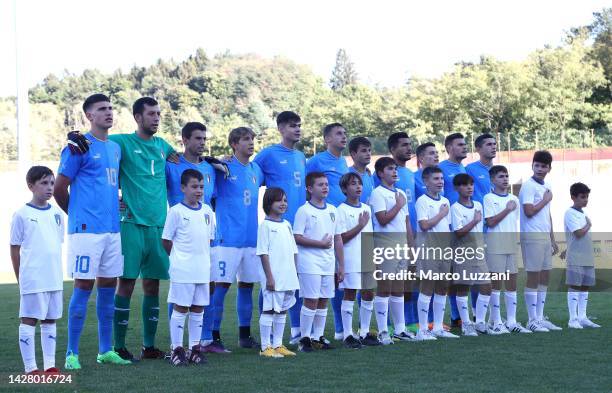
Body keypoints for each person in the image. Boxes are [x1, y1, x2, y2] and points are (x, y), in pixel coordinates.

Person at [55, 94, 129, 368]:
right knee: (84, 285)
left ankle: (105, 350)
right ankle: (71, 353)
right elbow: (59, 188)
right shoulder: (78, 147)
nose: (108, 112)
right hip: (85, 231)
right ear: (89, 115)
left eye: (110, 108)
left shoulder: (115, 148)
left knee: (108, 285)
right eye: (102, 109)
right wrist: (77, 214)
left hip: (112, 229)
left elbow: (105, 183)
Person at [110, 97, 176, 361]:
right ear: (138, 117)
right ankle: (118, 346)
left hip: (158, 226)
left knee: (153, 286)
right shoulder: (122, 141)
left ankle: (149, 346)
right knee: (125, 284)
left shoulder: (163, 146)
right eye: (151, 114)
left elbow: (185, 160)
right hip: (131, 225)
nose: (157, 118)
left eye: (159, 113)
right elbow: (96, 146)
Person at [205, 127, 264, 351]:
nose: (250, 143)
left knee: (247, 286)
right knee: (220, 287)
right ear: (234, 144)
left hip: (251, 238)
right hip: (227, 239)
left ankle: (244, 335)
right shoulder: (223, 168)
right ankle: (213, 336)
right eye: (245, 139)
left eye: (252, 138)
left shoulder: (256, 169)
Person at [253, 111, 306, 343]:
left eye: (299, 126)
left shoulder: (302, 156)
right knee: (270, 283)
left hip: (296, 228)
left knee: (293, 282)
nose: (297, 129)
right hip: (274, 227)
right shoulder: (268, 155)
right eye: (292, 126)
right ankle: (264, 335)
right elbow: (250, 173)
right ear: (281, 129)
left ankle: (295, 331)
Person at [11, 166, 64, 374]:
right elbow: (14, 247)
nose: (49, 188)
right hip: (33, 277)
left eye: (51, 183)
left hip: (54, 277)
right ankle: (31, 368)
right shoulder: (21, 214)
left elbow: (55, 244)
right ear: (31, 186)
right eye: (44, 183)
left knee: (50, 320)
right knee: (29, 319)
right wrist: (20, 277)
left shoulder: (57, 213)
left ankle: (49, 366)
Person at [162, 169, 215, 366]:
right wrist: (179, 259)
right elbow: (166, 241)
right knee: (181, 307)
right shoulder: (176, 211)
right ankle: (176, 349)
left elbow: (208, 240)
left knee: (198, 308)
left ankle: (194, 348)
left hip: (202, 268)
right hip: (182, 269)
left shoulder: (208, 211)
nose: (198, 190)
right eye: (194, 186)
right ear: (183, 188)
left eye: (201, 186)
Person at [306, 123, 349, 340]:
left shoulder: (343, 162)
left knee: (339, 280)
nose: (344, 137)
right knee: (315, 285)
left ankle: (337, 330)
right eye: (339, 134)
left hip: (339, 223)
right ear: (327, 139)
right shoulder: (316, 161)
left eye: (345, 133)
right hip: (321, 226)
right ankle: (303, 332)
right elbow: (308, 187)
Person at [294, 172, 344, 352]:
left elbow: (338, 239)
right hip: (309, 262)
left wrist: (341, 265)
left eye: (326, 184)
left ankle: (318, 337)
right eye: (320, 184)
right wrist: (320, 244)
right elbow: (296, 237)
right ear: (309, 188)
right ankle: (304, 338)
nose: (325, 187)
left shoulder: (333, 210)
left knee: (324, 300)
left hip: (328, 263)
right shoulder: (304, 210)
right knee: (311, 300)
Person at [484, 166, 531, 334]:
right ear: (492, 180)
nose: (505, 179)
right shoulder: (488, 198)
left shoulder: (514, 199)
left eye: (506, 176)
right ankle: (496, 322)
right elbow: (490, 222)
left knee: (511, 285)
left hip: (511, 245)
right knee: (495, 286)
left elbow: (514, 222)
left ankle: (512, 321)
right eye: (501, 176)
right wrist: (507, 209)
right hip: (495, 246)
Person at [519, 150, 561, 332]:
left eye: (544, 166)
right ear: (532, 166)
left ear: (549, 168)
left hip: (544, 236)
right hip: (532, 236)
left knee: (545, 277)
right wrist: (545, 200)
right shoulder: (528, 186)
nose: (540, 169)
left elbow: (547, 214)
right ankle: (531, 319)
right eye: (537, 165)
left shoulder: (547, 185)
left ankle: (540, 317)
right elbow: (529, 211)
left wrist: (553, 239)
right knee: (533, 277)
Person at [337, 172, 380, 347]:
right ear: (344, 189)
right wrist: (360, 225)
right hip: (350, 258)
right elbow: (341, 238)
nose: (358, 187)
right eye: (353, 184)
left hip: (367, 256)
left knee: (369, 293)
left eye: (359, 183)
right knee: (350, 293)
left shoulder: (367, 208)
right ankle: (348, 334)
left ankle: (364, 332)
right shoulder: (341, 210)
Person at [415, 166, 458, 340]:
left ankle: (438, 327)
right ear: (426, 181)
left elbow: (447, 228)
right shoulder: (422, 201)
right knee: (427, 288)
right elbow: (424, 225)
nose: (440, 182)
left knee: (442, 288)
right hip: (428, 250)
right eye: (436, 179)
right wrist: (441, 214)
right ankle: (422, 330)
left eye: (441, 179)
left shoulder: (445, 201)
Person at [449, 174, 495, 335]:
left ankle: (480, 322)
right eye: (464, 185)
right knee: (463, 289)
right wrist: (474, 221)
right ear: (456, 188)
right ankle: (466, 324)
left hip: (478, 252)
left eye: (471, 184)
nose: (469, 187)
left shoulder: (478, 205)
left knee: (487, 287)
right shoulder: (455, 208)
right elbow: (459, 232)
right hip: (463, 252)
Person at [257, 188, 300, 358]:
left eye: (285, 200)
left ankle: (278, 344)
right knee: (269, 310)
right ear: (268, 203)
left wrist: (294, 272)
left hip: (288, 276)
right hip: (273, 277)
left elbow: (294, 251)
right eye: (278, 200)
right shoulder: (265, 226)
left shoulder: (287, 224)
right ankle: (265, 347)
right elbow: (263, 253)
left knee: (282, 310)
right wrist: (269, 277)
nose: (283, 204)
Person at [438, 133, 468, 326]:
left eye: (465, 144)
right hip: (448, 228)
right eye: (460, 144)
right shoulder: (441, 168)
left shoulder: (463, 168)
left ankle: (458, 316)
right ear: (449, 147)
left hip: (463, 227)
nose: (464, 147)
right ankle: (450, 316)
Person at [562, 182, 600, 329]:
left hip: (587, 256)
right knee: (575, 286)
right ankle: (573, 319)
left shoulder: (583, 214)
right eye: (582, 197)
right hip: (576, 257)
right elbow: (578, 233)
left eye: (587, 197)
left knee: (585, 286)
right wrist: (588, 225)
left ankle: (582, 317)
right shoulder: (569, 213)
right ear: (573, 197)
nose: (586, 200)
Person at [165, 122, 216, 207]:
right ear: (185, 140)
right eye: (198, 138)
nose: (203, 142)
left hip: (205, 219)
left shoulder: (210, 168)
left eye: (204, 139)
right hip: (179, 219)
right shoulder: (170, 166)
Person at [465, 133, 496, 205]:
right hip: (479, 213)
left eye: (494, 144)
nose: (493, 147)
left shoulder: (497, 170)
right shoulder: (470, 169)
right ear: (478, 149)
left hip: (497, 213)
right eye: (489, 144)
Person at [348, 137, 374, 203]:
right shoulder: (347, 175)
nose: (368, 153)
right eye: (364, 151)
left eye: (369, 150)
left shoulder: (369, 175)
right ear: (353, 154)